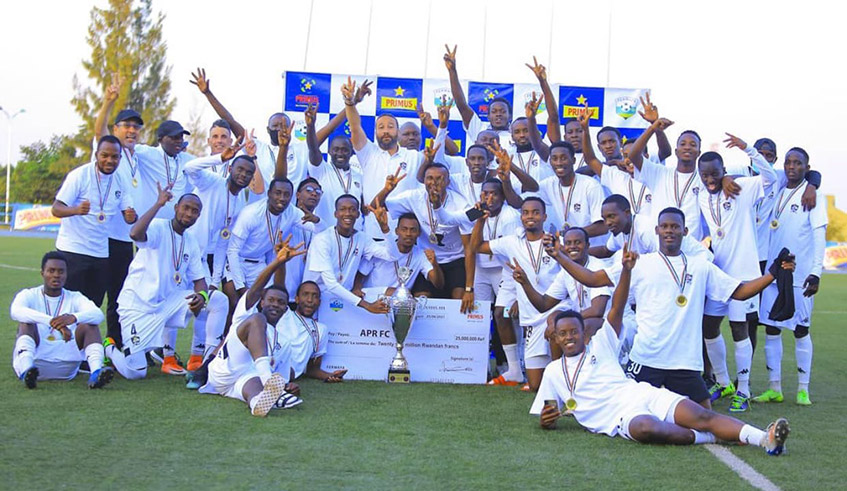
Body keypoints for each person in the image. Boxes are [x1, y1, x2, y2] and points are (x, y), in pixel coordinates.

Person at [531, 251, 790, 457]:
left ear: (583, 331)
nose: (569, 337)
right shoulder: (553, 372)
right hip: (619, 417)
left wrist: (626, 271)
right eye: (563, 334)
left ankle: (764, 438)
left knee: (702, 415)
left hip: (642, 393)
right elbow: (549, 413)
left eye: (574, 331)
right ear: (555, 337)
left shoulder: (601, 344)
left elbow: (617, 308)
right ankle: (710, 436)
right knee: (646, 428)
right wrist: (546, 420)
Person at [104, 187, 229, 379]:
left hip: (168, 304)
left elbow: (199, 280)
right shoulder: (158, 227)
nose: (189, 214)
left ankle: (208, 364)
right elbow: (135, 234)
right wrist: (158, 204)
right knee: (135, 372)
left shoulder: (191, 241)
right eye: (186, 208)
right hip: (137, 307)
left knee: (218, 300)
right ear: (176, 207)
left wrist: (202, 295)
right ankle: (109, 348)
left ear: (199, 216)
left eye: (195, 211)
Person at [697, 136, 777, 412]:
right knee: (709, 327)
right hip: (718, 274)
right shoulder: (702, 196)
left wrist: (747, 149)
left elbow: (770, 178)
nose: (710, 179)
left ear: (724, 171)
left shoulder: (740, 188)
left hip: (744, 274)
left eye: (715, 174)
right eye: (705, 175)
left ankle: (743, 389)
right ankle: (723, 382)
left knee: (739, 328)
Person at [190, 68, 349, 192]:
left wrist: (349, 105)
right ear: (268, 130)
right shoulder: (256, 147)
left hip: (290, 214)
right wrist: (208, 93)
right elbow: (230, 120)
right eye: (275, 126)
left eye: (284, 125)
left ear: (291, 128)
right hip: (260, 212)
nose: (280, 129)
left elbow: (329, 128)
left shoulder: (301, 149)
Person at [755, 147, 827, 406]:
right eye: (788, 162)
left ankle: (803, 389)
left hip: (800, 276)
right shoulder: (776, 186)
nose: (791, 167)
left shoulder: (813, 195)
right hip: (773, 274)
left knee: (801, 329)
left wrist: (815, 272)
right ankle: (774, 388)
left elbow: (819, 236)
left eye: (798, 163)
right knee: (772, 329)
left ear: (807, 168)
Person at [470, 197, 565, 391]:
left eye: (536, 212)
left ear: (545, 216)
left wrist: (560, 249)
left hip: (555, 309)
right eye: (526, 213)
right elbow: (476, 247)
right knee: (536, 385)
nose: (530, 217)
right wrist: (480, 221)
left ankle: (563, 379)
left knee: (555, 327)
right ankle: (515, 370)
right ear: (521, 217)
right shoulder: (511, 242)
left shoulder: (554, 242)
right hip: (531, 317)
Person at [52, 135, 136, 307]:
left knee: (92, 308)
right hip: (73, 250)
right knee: (67, 306)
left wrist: (131, 217)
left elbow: (129, 214)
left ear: (120, 158)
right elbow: (56, 209)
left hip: (100, 254)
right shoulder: (80, 175)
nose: (109, 160)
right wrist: (75, 210)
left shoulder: (120, 180)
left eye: (114, 157)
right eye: (105, 155)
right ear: (97, 154)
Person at [11, 251, 113, 389]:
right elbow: (16, 311)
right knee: (26, 324)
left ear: (66, 274)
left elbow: (98, 314)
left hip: (67, 366)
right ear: (42, 273)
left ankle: (96, 372)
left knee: (90, 325)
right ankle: (26, 371)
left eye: (61, 271)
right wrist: (52, 322)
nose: (56, 275)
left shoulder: (75, 297)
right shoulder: (29, 294)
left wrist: (73, 318)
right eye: (51, 271)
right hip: (36, 363)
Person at [340, 77, 428, 238]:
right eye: (381, 127)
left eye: (390, 127)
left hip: (406, 237)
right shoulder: (368, 153)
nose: (386, 131)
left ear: (398, 132)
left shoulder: (414, 156)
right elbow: (355, 127)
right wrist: (350, 102)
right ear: (375, 133)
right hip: (373, 234)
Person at [93, 74, 145, 346]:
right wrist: (108, 101)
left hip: (127, 240)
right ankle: (86, 348)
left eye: (136, 126)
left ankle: (114, 344)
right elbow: (99, 131)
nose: (131, 130)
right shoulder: (111, 151)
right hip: (104, 237)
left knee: (119, 296)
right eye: (126, 126)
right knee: (93, 295)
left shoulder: (138, 156)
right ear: (116, 129)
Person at [199, 285, 298, 417]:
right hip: (224, 372)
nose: (275, 304)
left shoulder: (284, 343)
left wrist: (289, 387)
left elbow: (282, 378)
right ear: (262, 302)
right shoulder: (245, 315)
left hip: (242, 382)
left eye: (281, 302)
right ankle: (267, 380)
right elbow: (255, 289)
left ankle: (255, 402)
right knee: (258, 319)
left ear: (286, 309)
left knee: (255, 383)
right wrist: (272, 269)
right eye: (271, 300)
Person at [383, 163, 474, 303]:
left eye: (439, 178)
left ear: (448, 181)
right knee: (422, 299)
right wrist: (386, 190)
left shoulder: (461, 204)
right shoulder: (414, 197)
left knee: (458, 300)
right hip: (426, 258)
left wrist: (469, 289)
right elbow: (379, 205)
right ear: (423, 181)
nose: (434, 182)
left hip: (454, 259)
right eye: (430, 178)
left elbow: (468, 248)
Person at [512, 227, 611, 345]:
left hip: (608, 321)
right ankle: (562, 358)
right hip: (582, 320)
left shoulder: (597, 266)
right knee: (553, 320)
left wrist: (566, 321)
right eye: (568, 243)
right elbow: (543, 304)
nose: (572, 246)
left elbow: (597, 311)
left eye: (577, 242)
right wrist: (525, 282)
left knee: (578, 325)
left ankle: (580, 356)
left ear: (587, 245)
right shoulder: (566, 270)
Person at [304, 194, 392, 314]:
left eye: (352, 209)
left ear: (358, 214)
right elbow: (331, 284)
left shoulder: (362, 238)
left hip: (344, 298)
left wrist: (385, 228)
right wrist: (367, 305)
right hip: (317, 300)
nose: (348, 213)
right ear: (335, 214)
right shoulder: (322, 240)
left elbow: (391, 255)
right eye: (343, 209)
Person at [225, 178, 312, 295]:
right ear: (269, 193)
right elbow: (232, 251)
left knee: (268, 298)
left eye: (287, 195)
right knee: (235, 298)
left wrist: (317, 221)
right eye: (278, 193)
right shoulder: (251, 213)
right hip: (236, 261)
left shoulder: (292, 212)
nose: (282, 198)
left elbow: (319, 229)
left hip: (258, 263)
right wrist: (240, 286)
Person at [512, 140, 606, 241]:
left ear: (573, 160)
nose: (559, 163)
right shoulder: (548, 184)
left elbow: (602, 227)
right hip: (567, 247)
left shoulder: (591, 186)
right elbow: (518, 202)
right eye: (554, 159)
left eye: (564, 158)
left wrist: (568, 234)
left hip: (593, 247)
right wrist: (509, 170)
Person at [577, 108, 655, 221]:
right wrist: (585, 130)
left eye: (635, 155)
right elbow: (590, 160)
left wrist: (654, 127)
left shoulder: (656, 174)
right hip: (623, 229)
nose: (608, 146)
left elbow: (665, 152)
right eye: (627, 156)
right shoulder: (616, 176)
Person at [355, 209, 444, 295]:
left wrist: (434, 264)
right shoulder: (380, 248)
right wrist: (357, 291)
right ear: (397, 231)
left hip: (400, 299)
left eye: (413, 230)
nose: (408, 234)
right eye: (404, 229)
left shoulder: (421, 254)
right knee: (395, 292)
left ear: (419, 233)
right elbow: (359, 275)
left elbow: (438, 284)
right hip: (372, 296)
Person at [304, 102, 364, 228]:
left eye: (344, 150)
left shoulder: (359, 177)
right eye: (336, 149)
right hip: (325, 233)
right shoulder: (321, 170)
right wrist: (310, 126)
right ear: (329, 151)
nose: (340, 153)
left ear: (352, 152)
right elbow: (313, 148)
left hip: (355, 235)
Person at [278, 281, 348, 382]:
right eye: (305, 294)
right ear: (296, 299)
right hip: (273, 366)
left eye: (315, 296)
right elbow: (279, 286)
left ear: (319, 302)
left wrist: (330, 375)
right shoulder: (284, 315)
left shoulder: (321, 330)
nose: (310, 300)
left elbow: (312, 369)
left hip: (290, 376)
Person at [443, 45, 512, 145]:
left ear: (510, 116)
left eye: (503, 111)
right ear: (488, 116)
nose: (498, 114)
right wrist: (452, 71)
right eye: (494, 111)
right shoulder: (480, 129)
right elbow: (462, 106)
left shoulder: (516, 135)